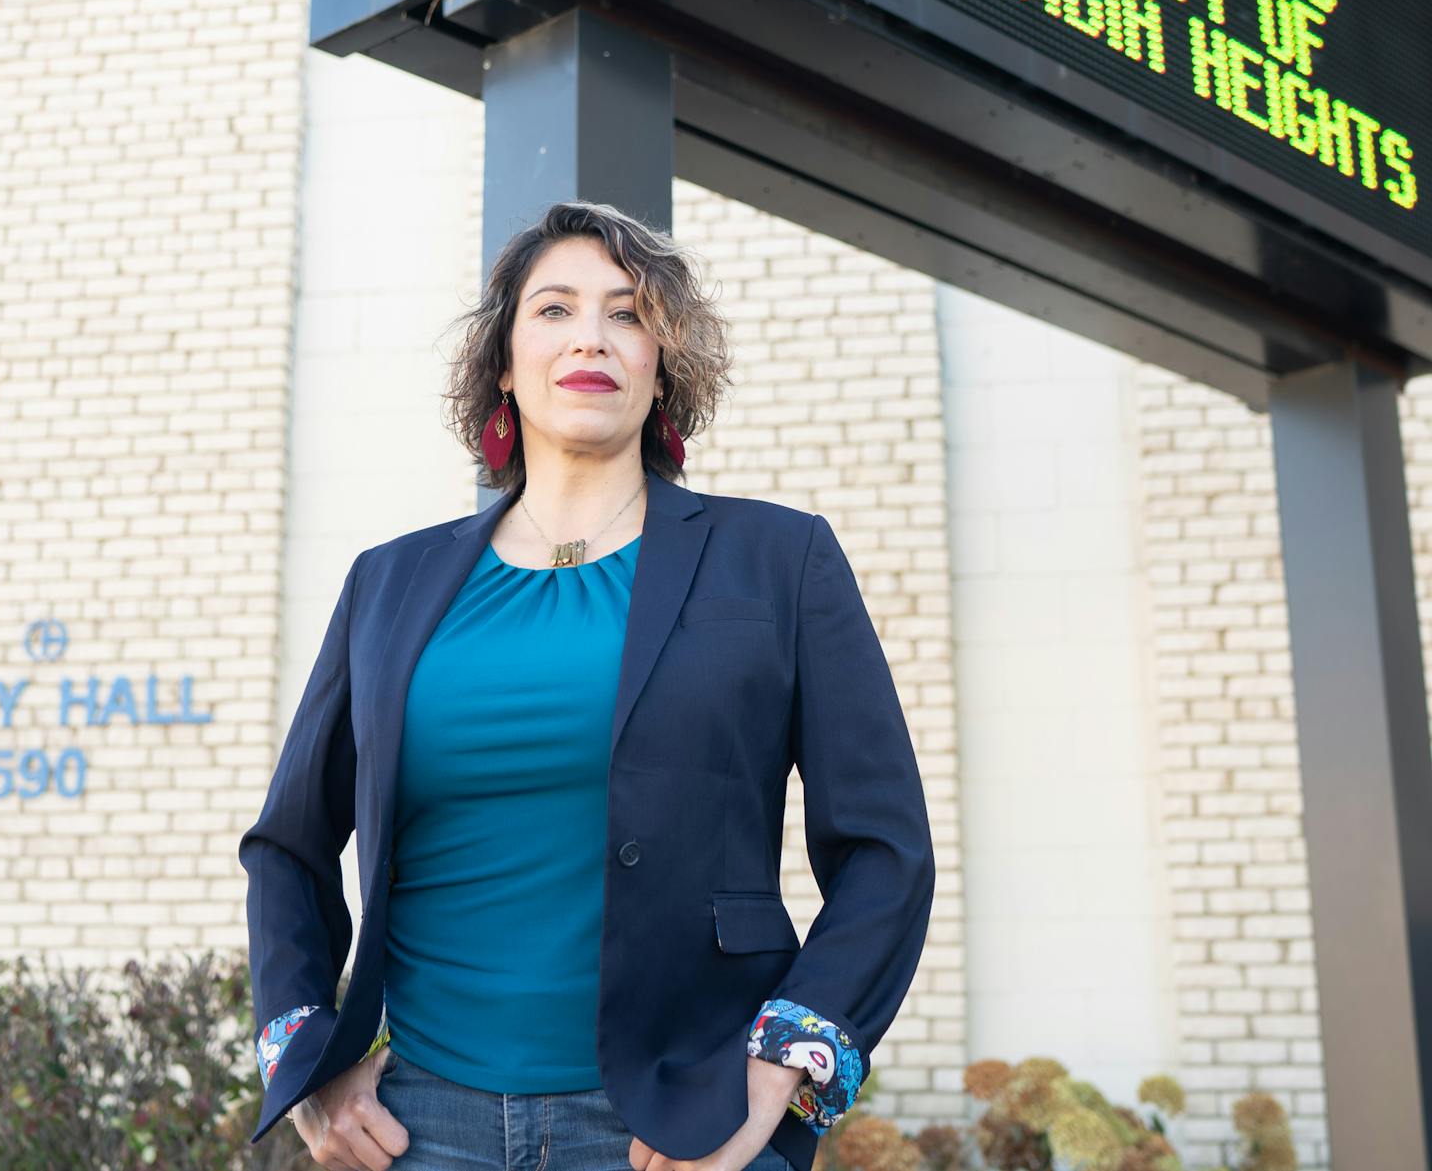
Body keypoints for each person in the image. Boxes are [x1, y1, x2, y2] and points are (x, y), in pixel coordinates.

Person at [239, 200, 937, 1171]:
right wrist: (303, 1059)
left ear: (665, 367)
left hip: (684, 1128)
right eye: (555, 309)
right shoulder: (387, 584)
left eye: (629, 312)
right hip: (419, 1132)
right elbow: (288, 848)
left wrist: (785, 1068)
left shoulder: (779, 559)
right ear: (503, 364)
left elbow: (885, 850)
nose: (593, 338)